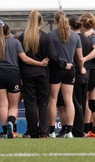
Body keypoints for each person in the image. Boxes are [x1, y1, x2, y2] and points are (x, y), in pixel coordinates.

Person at [19, 9, 69, 139]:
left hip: (27, 74)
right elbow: (54, 57)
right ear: (41, 22)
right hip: (42, 74)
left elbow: (19, 59)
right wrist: (64, 65)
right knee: (43, 104)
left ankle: (33, 131)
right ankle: (44, 132)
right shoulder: (45, 37)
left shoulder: (22, 37)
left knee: (30, 104)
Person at [47, 11, 84, 138]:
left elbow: (50, 55)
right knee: (69, 101)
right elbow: (79, 57)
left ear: (55, 21)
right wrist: (82, 68)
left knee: (53, 99)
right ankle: (69, 131)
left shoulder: (50, 35)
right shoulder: (75, 36)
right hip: (70, 69)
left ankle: (51, 131)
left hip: (56, 70)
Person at [69, 16, 92, 138]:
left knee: (76, 103)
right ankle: (81, 129)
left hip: (77, 73)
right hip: (86, 74)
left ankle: (76, 130)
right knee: (83, 103)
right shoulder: (87, 39)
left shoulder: (73, 38)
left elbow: (77, 57)